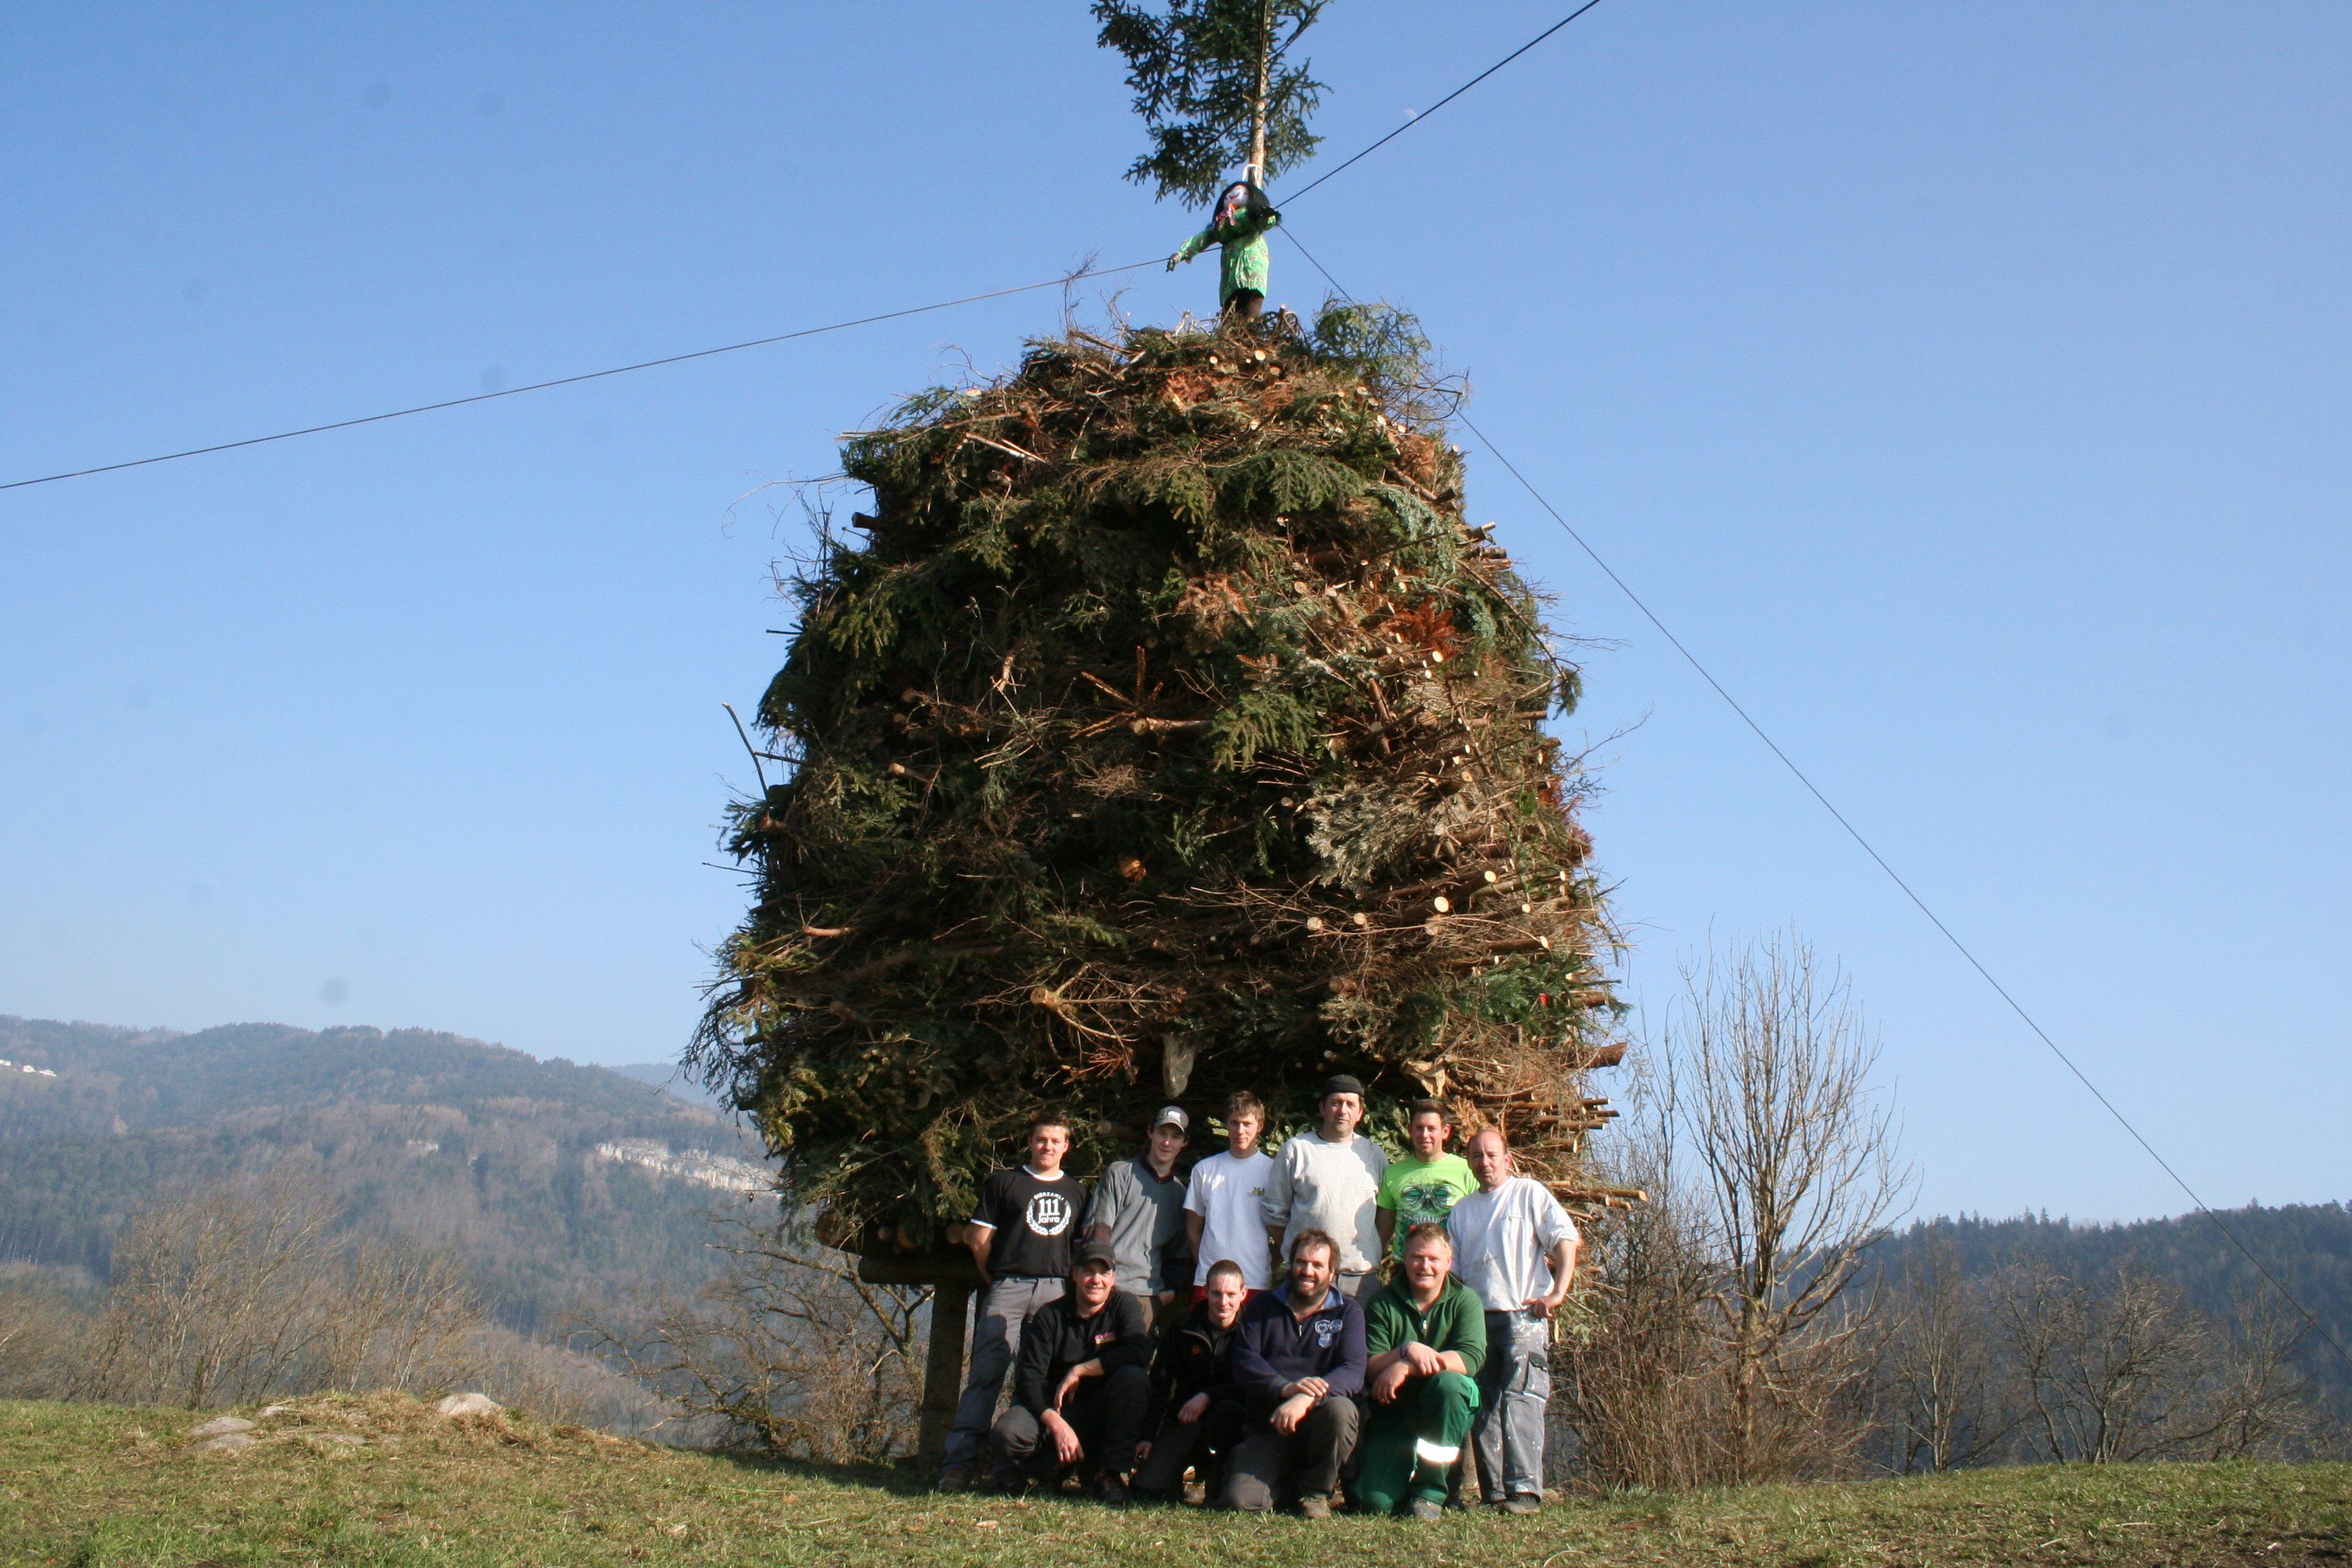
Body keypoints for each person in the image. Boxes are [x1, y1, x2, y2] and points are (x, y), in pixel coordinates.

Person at [937, 1109, 1090, 1492]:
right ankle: (959, 1465)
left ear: (1067, 1147)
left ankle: (1012, 1468)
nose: (1048, 1147)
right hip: (1009, 1285)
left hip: (1056, 1290)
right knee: (986, 1374)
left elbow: (1077, 1250)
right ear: (1029, 1143)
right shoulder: (1005, 1183)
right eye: (1041, 1140)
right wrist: (997, 1279)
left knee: (1037, 1378)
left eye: (1056, 1141)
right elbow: (979, 1241)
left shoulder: (1077, 1191)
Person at [1446, 1126, 1581, 1515]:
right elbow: (1452, 1272)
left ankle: (1525, 1491)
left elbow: (1565, 1238)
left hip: (1524, 1315)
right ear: (1469, 1161)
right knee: (1483, 1405)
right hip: (1476, 1319)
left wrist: (1558, 1291)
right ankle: (1494, 1494)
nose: (1485, 1163)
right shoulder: (1462, 1211)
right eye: (1477, 1156)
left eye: (1492, 1155)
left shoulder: (1528, 1193)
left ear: (1507, 1159)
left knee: (1523, 1400)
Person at [986, 1239, 1156, 1503]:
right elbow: (1029, 1379)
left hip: (1102, 1414)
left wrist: (1082, 1370)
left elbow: (1139, 1352)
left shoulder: (1124, 1305)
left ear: (1113, 1278)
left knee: (1134, 1379)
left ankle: (1109, 1474)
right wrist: (1056, 1424)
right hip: (1057, 1410)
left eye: (1104, 1273)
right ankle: (1049, 1471)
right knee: (1007, 1432)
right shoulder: (1049, 1316)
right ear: (1075, 1274)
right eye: (1088, 1271)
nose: (1096, 1280)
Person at [1223, 1228, 1366, 1518]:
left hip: (1320, 1425)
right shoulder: (1262, 1306)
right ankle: (1287, 1485)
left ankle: (1315, 1493)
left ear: (1332, 1272)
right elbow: (1245, 1360)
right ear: (1291, 1264)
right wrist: (1285, 1388)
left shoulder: (1348, 1311)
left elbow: (1353, 1371)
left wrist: (1305, 1399)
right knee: (1241, 1501)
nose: (1308, 1271)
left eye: (1317, 1265)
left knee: (1342, 1410)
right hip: (1269, 1426)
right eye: (1301, 1262)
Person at [1355, 1224, 1488, 1520]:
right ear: (1405, 1258)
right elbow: (1372, 1366)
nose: (1424, 1266)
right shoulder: (1382, 1302)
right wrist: (1405, 1349)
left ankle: (1430, 1493)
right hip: (1396, 1410)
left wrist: (1407, 1364)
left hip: (1447, 1407)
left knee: (1449, 1385)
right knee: (1375, 1503)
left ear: (1448, 1262)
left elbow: (1470, 1358)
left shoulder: (1465, 1300)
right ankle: (1402, 1482)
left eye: (1433, 1259)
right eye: (1417, 1257)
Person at [1130, 1258, 1250, 1504]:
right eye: (1216, 1293)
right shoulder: (1184, 1327)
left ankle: (1215, 1479)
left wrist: (1209, 1396)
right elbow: (1160, 1384)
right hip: (1186, 1419)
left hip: (1231, 1422)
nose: (1223, 1302)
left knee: (1227, 1412)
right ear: (1205, 1291)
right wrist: (1147, 1436)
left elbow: (1254, 1384)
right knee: (1147, 1490)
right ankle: (1177, 1477)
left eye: (1231, 1294)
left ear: (1243, 1294)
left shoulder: (1253, 1331)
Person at [1262, 1075, 1388, 1297]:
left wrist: (1373, 1249)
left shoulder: (1374, 1155)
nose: (1343, 1111)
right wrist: (1300, 1252)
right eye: (1336, 1103)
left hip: (1360, 1277)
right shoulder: (1297, 1150)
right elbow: (1274, 1212)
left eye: (1350, 1105)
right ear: (1322, 1108)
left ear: (1360, 1113)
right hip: (1307, 1275)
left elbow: (1386, 1213)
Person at [1086, 1105, 1191, 1325]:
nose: (1167, 1142)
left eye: (1175, 1137)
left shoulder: (1180, 1194)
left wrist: (1168, 1294)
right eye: (1162, 1133)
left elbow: (1178, 1255)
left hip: (1148, 1298)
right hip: (1108, 1290)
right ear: (1150, 1133)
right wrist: (1101, 1280)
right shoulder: (1120, 1173)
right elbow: (1097, 1234)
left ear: (1184, 1143)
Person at [1184, 1090, 1275, 1299]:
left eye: (1247, 1124)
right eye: (1234, 1123)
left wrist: (1266, 1268)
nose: (1240, 1130)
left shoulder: (1272, 1171)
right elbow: (1192, 1230)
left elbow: (1283, 1234)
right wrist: (1208, 1270)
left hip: (1255, 1281)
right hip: (1209, 1283)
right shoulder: (1204, 1169)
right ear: (1226, 1124)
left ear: (1260, 1125)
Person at [1377, 1098, 1479, 1263]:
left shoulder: (1466, 1171)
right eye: (1419, 1128)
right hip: (1405, 1268)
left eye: (1432, 1129)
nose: (1425, 1135)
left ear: (1445, 1131)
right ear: (1410, 1130)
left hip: (1451, 1268)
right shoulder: (1393, 1173)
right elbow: (1382, 1234)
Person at [1166, 179, 1281, 322]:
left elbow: (1265, 222)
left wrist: (1268, 215)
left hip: (1251, 272)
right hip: (1229, 281)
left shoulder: (1253, 217)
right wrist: (1182, 253)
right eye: (1229, 194)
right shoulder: (1221, 223)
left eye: (1239, 192)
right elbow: (1203, 239)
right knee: (1229, 316)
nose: (1233, 196)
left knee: (1250, 312)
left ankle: (1252, 328)